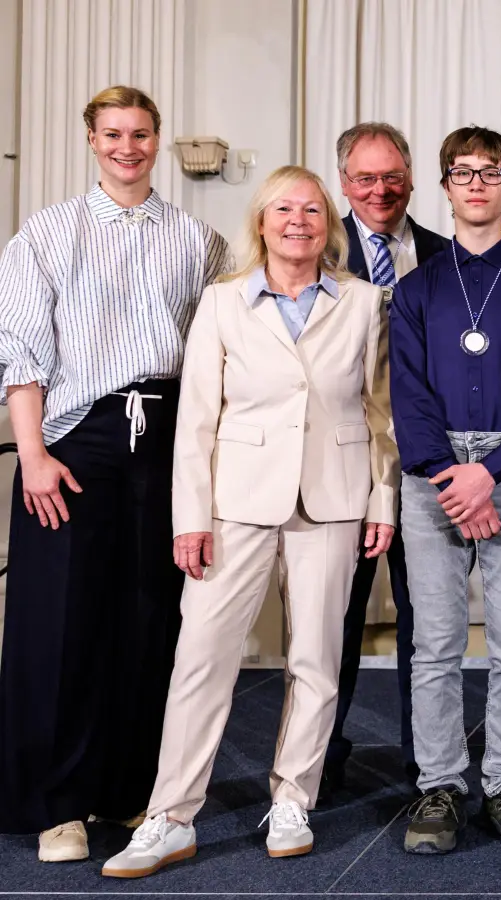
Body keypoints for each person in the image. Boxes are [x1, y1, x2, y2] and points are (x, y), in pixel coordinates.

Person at [101, 166, 399, 877]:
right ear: (261, 222)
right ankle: (171, 817)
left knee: (317, 662)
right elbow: (197, 419)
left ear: (327, 223)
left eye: (311, 210)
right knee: (201, 659)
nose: (298, 220)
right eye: (283, 209)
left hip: (333, 499)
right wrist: (189, 518)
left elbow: (380, 413)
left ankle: (293, 797)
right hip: (233, 504)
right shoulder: (223, 301)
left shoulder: (363, 302)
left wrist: (381, 501)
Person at [0, 86, 229, 863]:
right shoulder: (45, 234)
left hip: (168, 436)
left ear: (157, 140)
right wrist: (32, 455)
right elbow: (22, 353)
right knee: (62, 624)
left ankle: (131, 789)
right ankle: (59, 805)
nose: (126, 146)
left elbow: (215, 351)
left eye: (139, 133)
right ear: (91, 141)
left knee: (150, 616)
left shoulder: (198, 239)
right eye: (112, 134)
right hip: (73, 438)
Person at [389, 127, 501, 855]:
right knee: (433, 644)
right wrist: (452, 475)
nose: (475, 185)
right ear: (445, 186)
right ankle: (439, 785)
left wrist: (488, 472)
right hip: (433, 480)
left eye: (490, 173)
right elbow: (407, 395)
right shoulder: (416, 289)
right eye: (462, 173)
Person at [325, 121, 450, 795]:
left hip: (422, 459)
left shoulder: (444, 254)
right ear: (345, 182)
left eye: (392, 176)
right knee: (334, 619)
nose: (381, 190)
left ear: (411, 179)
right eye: (366, 178)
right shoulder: (316, 248)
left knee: (425, 620)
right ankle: (322, 752)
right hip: (342, 462)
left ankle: (426, 763)